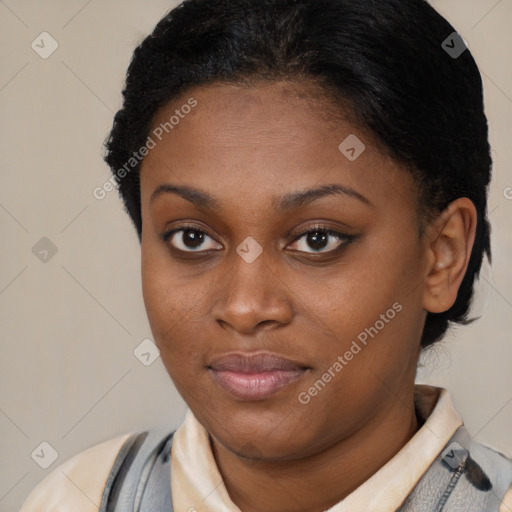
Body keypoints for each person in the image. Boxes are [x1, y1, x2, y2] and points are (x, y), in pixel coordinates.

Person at [20, 0, 512, 511]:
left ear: (442, 255)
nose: (245, 307)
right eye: (192, 238)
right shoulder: (76, 498)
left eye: (317, 239)